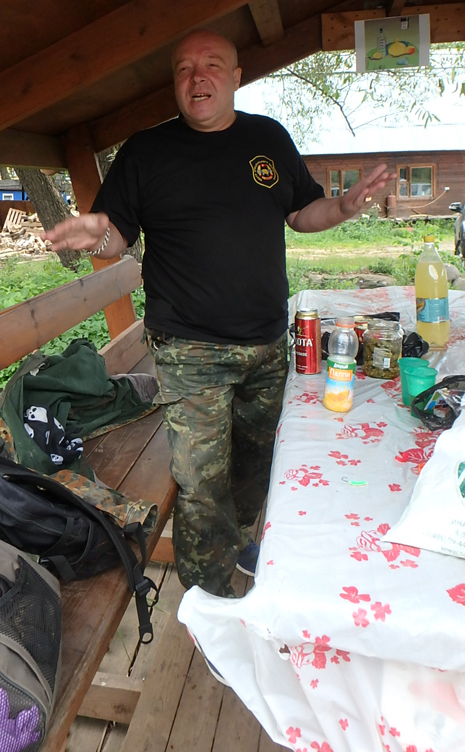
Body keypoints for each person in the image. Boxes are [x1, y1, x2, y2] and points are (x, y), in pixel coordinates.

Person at [44, 30, 394, 597]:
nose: (197, 76)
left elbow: (303, 212)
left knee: (256, 465)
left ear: (235, 77)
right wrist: (98, 235)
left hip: (265, 344)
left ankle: (241, 547)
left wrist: (345, 206)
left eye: (211, 65)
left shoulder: (268, 138)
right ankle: (207, 599)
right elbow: (116, 237)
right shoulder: (146, 151)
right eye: (184, 68)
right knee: (202, 484)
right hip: (189, 351)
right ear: (175, 84)